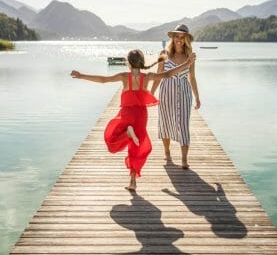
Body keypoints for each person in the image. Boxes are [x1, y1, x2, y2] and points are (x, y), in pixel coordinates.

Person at [70, 49, 196, 191]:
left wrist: (81, 75)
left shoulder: (124, 76)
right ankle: (132, 181)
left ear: (128, 63)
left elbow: (104, 80)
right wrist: (186, 63)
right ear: (142, 62)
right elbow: (167, 74)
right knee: (136, 148)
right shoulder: (147, 76)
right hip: (141, 115)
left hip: (127, 113)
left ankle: (128, 138)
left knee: (112, 140)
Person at [151, 24, 201, 169]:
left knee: (183, 125)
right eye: (177, 36)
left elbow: (192, 78)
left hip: (184, 93)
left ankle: (184, 159)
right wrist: (151, 93)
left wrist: (197, 97)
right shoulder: (164, 53)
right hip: (166, 93)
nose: (179, 39)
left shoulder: (190, 56)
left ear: (186, 39)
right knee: (166, 122)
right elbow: (158, 76)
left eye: (182, 37)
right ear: (173, 38)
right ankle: (167, 152)